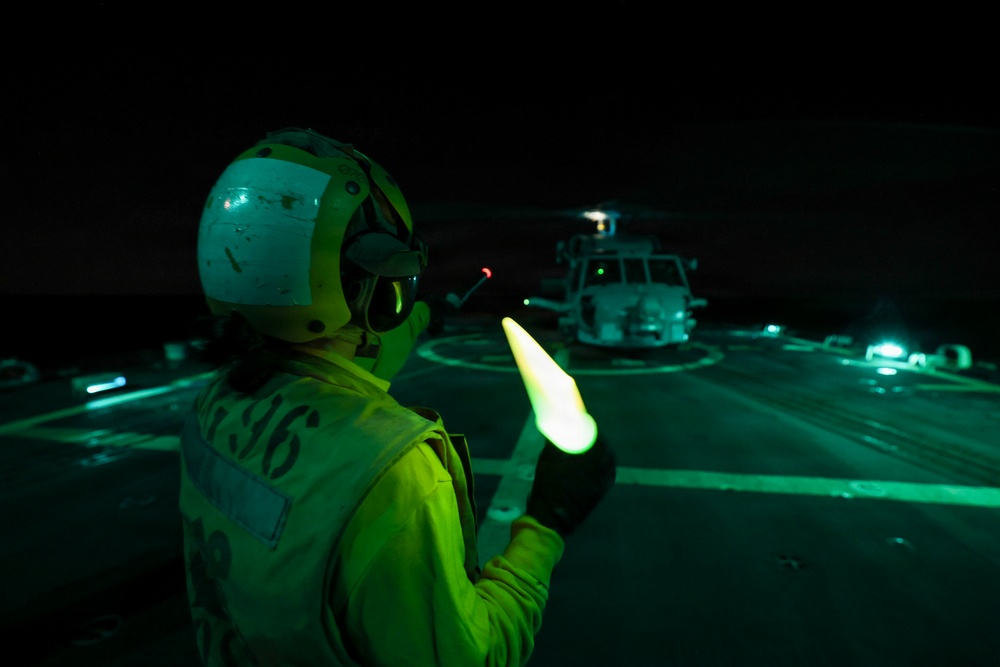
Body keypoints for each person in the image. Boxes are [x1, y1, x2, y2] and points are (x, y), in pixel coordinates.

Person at [179, 127, 616, 666]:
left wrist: (434, 310)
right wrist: (547, 522)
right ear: (378, 293)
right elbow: (474, 657)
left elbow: (371, 335)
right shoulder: (388, 470)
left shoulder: (213, 405)